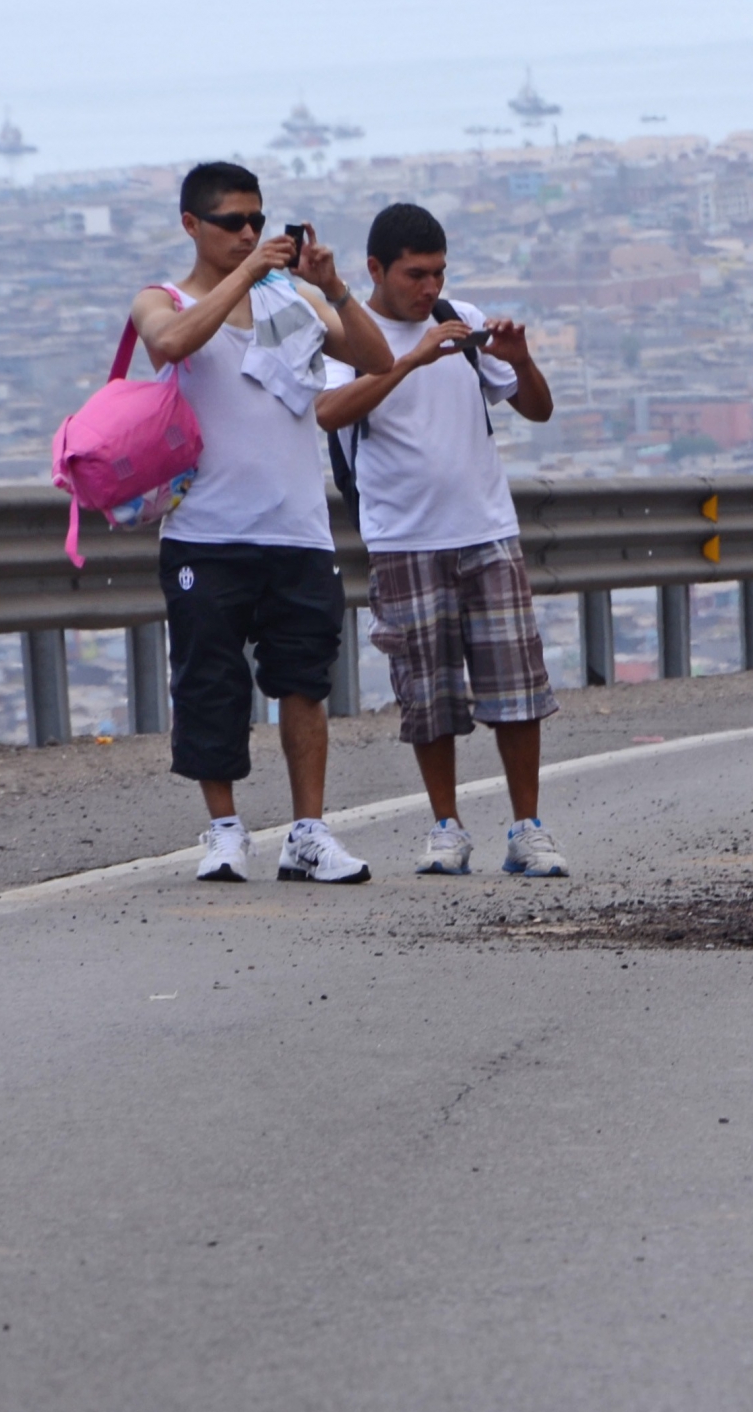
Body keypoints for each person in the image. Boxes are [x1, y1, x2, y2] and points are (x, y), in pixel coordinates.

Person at [136, 162, 396, 882]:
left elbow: (376, 358)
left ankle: (308, 832)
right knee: (210, 684)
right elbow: (172, 344)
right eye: (232, 223)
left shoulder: (294, 301)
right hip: (205, 531)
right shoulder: (160, 298)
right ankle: (223, 829)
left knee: (304, 682)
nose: (249, 233)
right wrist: (248, 272)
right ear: (192, 224)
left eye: (258, 220)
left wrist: (332, 286)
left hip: (297, 528)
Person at [316, 203, 567, 876]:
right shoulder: (348, 335)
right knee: (427, 694)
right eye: (415, 275)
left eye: (438, 274)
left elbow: (537, 408)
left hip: (487, 527)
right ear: (376, 270)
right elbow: (327, 413)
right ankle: (445, 824)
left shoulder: (464, 318)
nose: (429, 289)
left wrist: (520, 359)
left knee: (516, 687)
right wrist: (410, 360)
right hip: (403, 537)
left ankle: (527, 826)